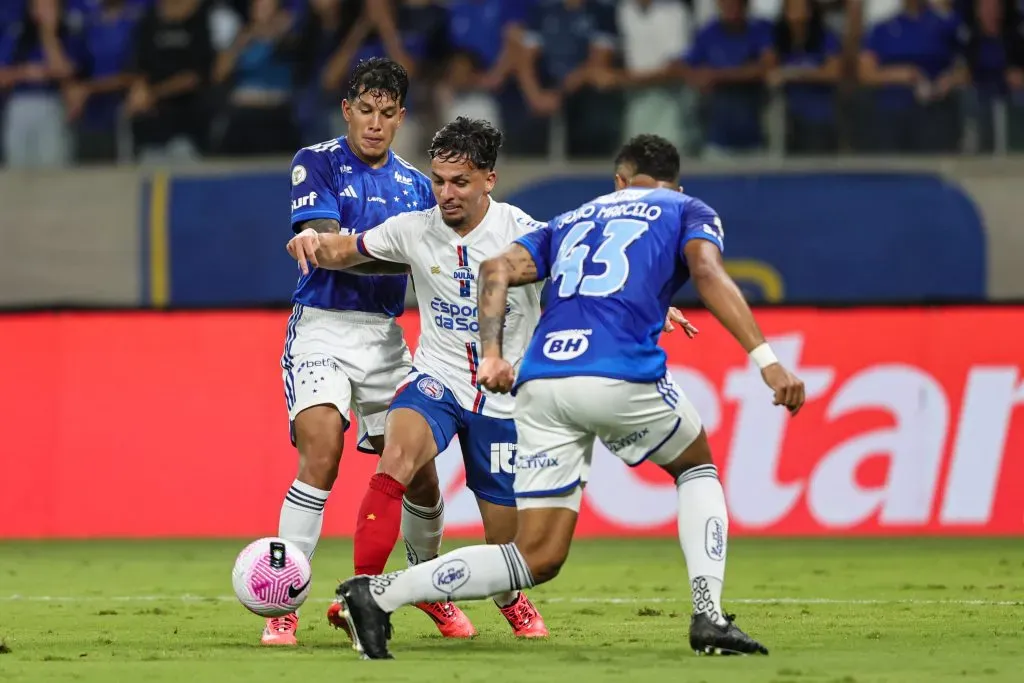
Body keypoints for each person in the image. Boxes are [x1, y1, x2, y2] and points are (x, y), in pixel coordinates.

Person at [328, 134, 806, 660]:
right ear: (674, 183)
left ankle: (375, 594)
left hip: (542, 381)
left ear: (618, 181)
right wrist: (767, 359)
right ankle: (708, 615)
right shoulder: (686, 208)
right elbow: (709, 273)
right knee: (695, 469)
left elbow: (495, 270)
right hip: (617, 371)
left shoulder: (574, 218)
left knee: (534, 555)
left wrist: (491, 354)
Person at [285, 116, 553, 639]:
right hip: (437, 378)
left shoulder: (526, 234)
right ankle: (363, 593)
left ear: (489, 181)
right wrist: (311, 243)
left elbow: (586, 283)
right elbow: (348, 248)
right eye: (438, 180)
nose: (445, 194)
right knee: (397, 458)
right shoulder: (415, 228)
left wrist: (655, 313)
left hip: (502, 399)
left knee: (508, 551)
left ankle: (507, 597)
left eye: (460, 182)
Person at [270, 56, 464, 646]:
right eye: (365, 111)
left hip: (385, 335)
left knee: (422, 474)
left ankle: (424, 587)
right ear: (346, 110)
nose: (375, 124)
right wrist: (403, 248)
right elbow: (328, 244)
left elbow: (434, 250)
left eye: (388, 113)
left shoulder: (414, 183)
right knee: (321, 453)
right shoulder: (317, 162)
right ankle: (284, 602)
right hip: (324, 328)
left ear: (402, 117)